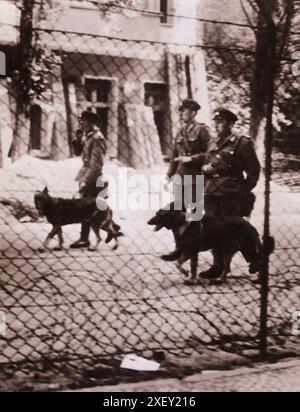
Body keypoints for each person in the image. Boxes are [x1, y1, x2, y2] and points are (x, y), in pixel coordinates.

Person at [201, 107, 261, 279]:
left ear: (231, 123)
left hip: (231, 194)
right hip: (212, 193)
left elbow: (253, 170)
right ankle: (218, 265)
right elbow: (207, 164)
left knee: (235, 231)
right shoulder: (213, 142)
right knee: (213, 231)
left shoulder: (242, 142)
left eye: (221, 121)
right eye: (216, 121)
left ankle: (256, 260)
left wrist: (243, 191)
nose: (218, 125)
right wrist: (205, 170)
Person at [162, 98, 211, 261]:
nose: (181, 113)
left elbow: (211, 154)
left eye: (185, 110)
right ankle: (180, 248)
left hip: (195, 179)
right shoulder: (180, 131)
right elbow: (174, 157)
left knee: (194, 216)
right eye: (181, 111)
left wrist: (192, 159)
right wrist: (168, 176)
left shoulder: (202, 130)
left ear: (193, 112)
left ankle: (192, 248)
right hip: (180, 179)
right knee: (177, 215)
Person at [70, 110, 107, 250]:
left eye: (84, 121)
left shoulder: (97, 138)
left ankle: (107, 232)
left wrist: (86, 181)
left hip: (93, 178)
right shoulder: (88, 136)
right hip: (85, 174)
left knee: (91, 209)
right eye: (80, 121)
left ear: (92, 122)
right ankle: (85, 238)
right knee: (87, 208)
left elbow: (97, 164)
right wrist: (77, 141)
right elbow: (79, 153)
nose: (81, 123)